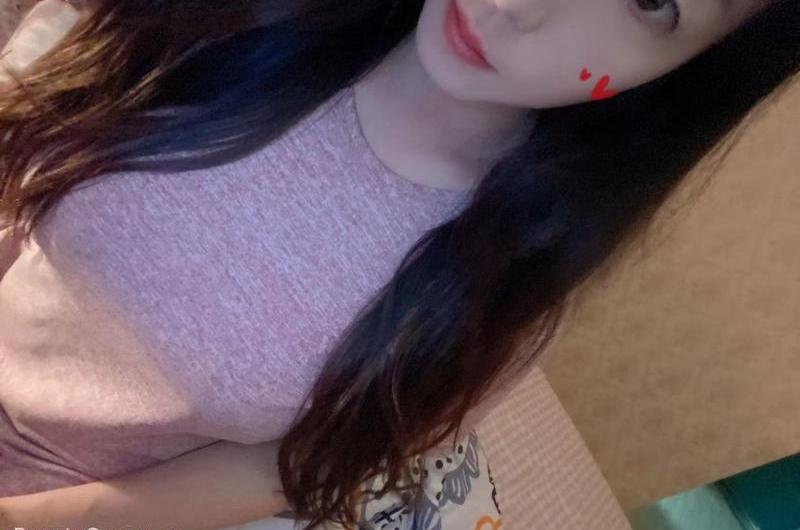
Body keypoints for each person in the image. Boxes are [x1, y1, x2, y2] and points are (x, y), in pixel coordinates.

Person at [0, 0, 796, 529]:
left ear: (692, 73)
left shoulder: (497, 288)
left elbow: (283, 468)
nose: (517, 6)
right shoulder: (230, 16)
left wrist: (38, 519)